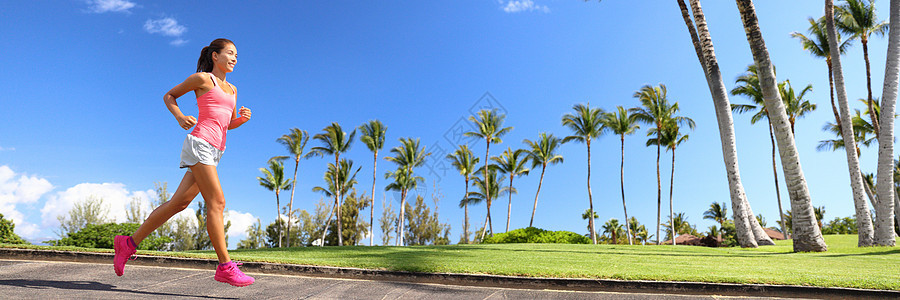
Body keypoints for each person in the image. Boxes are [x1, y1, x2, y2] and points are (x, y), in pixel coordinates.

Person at [114, 38, 254, 287]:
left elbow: (226, 123)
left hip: (216, 150)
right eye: (230, 53)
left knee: (179, 203)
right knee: (217, 202)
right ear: (215, 56)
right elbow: (170, 95)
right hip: (199, 143)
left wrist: (241, 120)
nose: (234, 58)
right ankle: (225, 266)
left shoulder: (232, 89)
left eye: (236, 55)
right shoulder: (202, 79)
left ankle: (128, 243)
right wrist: (179, 116)